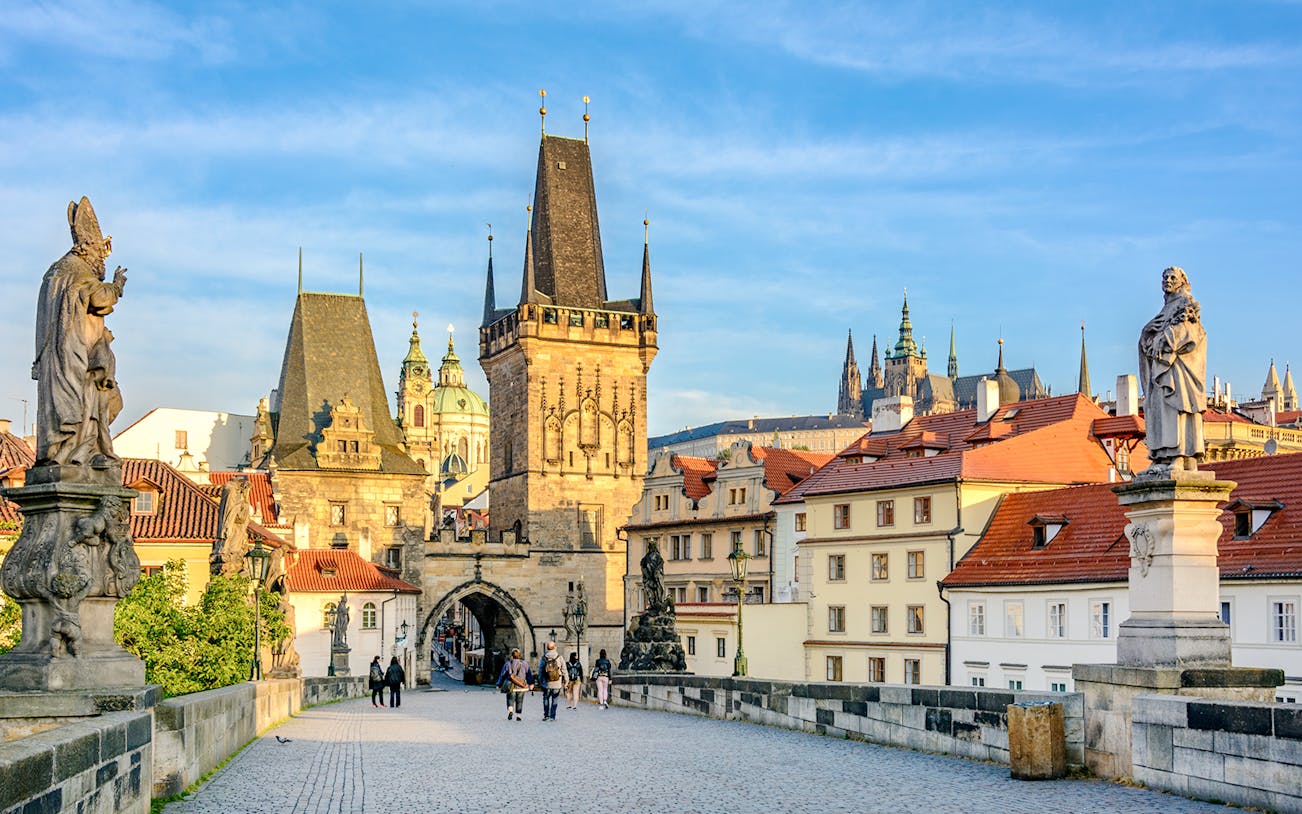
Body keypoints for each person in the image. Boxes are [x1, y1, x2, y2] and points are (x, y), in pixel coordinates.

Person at [498, 648, 532, 721]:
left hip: (511, 686)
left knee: (510, 699)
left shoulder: (508, 664)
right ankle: (518, 716)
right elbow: (529, 675)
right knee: (520, 700)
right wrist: (531, 683)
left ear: (512, 656)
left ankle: (510, 711)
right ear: (520, 655)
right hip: (521, 686)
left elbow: (502, 675)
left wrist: (499, 684)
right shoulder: (525, 664)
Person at [538, 641, 565, 721]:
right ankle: (552, 716)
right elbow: (564, 669)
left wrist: (540, 680)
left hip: (546, 682)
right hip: (557, 682)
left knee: (546, 698)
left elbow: (540, 670)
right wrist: (566, 680)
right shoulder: (559, 657)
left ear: (547, 648)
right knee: (555, 699)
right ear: (555, 647)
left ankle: (546, 715)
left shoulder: (544, 658)